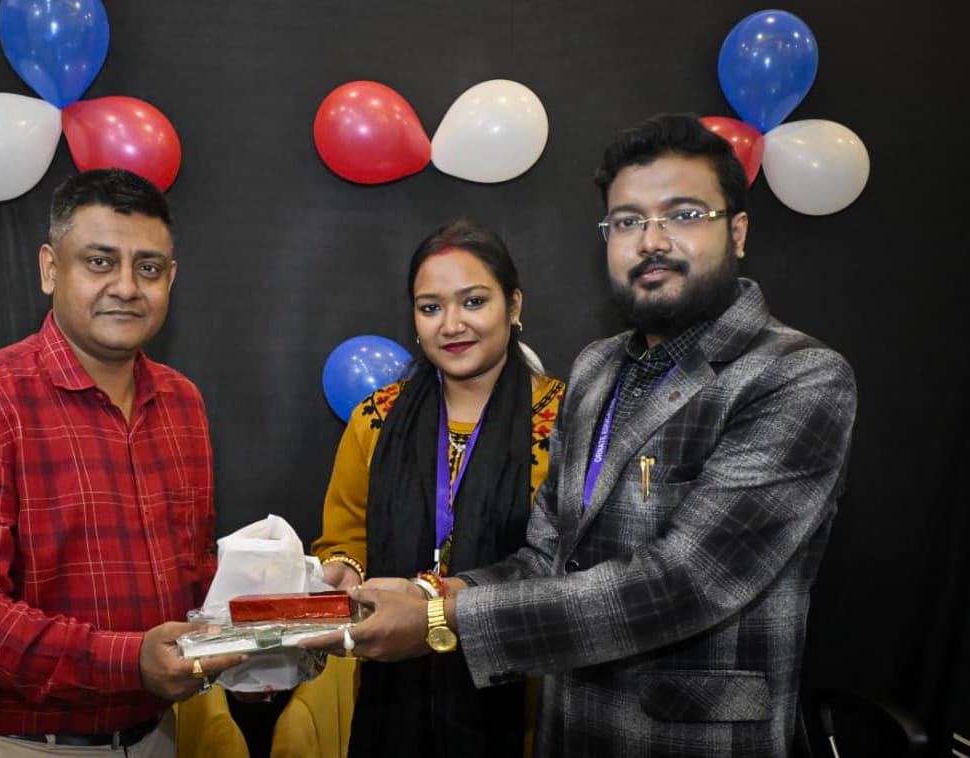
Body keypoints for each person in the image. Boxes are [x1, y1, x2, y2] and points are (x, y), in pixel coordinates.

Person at [306, 114, 858, 757]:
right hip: (568, 729)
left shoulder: (797, 377)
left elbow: (682, 584)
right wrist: (434, 590)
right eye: (627, 221)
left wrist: (438, 617)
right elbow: (545, 556)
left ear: (736, 231)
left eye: (683, 214)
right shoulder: (598, 371)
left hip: (690, 741)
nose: (652, 241)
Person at [0, 168, 244, 758]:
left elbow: (194, 573)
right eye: (99, 262)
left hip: (157, 737)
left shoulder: (182, 402)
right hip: (15, 744)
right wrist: (128, 662)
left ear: (171, 279)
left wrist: (286, 610)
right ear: (49, 269)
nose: (126, 287)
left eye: (148, 268)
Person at [309, 219, 567, 758]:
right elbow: (343, 540)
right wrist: (343, 571)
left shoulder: (566, 420)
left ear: (514, 305)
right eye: (431, 308)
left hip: (527, 692)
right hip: (393, 689)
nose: (452, 325)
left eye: (474, 302)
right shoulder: (376, 420)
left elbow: (572, 567)